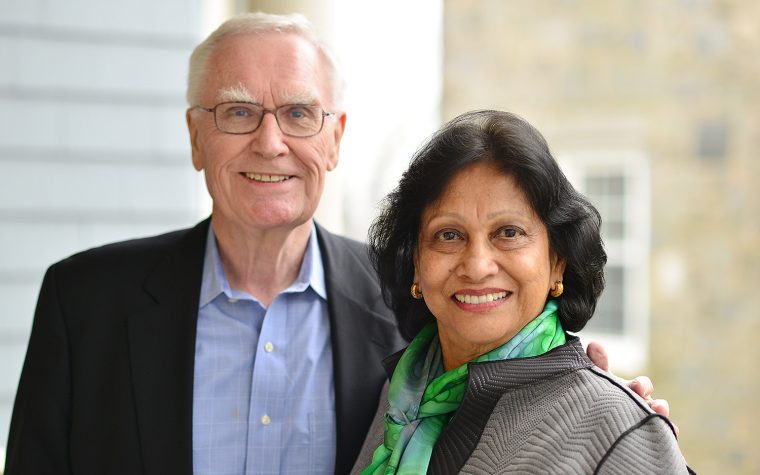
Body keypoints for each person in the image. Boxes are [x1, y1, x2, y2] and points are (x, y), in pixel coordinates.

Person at [4, 12, 670, 475]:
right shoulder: (84, 304)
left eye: (299, 113)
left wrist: (610, 415)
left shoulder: (405, 307)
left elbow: (533, 392)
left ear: (335, 137)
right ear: (195, 136)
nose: (271, 142)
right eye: (238, 112)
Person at [354, 110, 694, 474]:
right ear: (417, 265)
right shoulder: (398, 398)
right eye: (448, 235)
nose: (477, 265)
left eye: (509, 232)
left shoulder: (617, 433)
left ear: (558, 261)